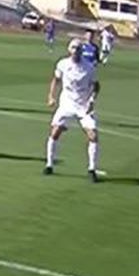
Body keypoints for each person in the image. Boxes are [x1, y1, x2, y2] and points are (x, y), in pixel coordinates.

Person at [44, 38, 101, 182]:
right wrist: (51, 96)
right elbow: (55, 80)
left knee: (93, 135)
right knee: (55, 132)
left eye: (78, 49)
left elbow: (96, 85)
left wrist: (92, 100)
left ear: (81, 51)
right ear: (69, 50)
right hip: (67, 104)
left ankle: (91, 169)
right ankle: (49, 164)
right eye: (73, 48)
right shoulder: (62, 64)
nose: (76, 51)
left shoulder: (89, 67)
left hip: (83, 105)